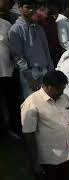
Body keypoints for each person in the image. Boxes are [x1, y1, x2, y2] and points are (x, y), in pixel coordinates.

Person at [21, 70, 69, 180]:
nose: (62, 92)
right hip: (49, 162)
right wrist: (34, 163)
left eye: (63, 88)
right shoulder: (31, 103)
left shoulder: (65, 98)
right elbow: (28, 135)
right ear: (47, 87)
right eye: (59, 89)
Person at [9, 0, 53, 99]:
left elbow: (46, 50)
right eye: (28, 7)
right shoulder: (15, 29)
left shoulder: (39, 28)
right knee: (32, 105)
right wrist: (29, 77)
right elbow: (18, 56)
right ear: (20, 7)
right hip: (30, 72)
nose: (32, 10)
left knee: (47, 104)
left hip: (45, 70)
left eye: (33, 7)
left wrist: (51, 70)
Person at [0, 1, 21, 139]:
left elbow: (13, 49)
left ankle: (15, 129)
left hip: (7, 71)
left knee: (11, 102)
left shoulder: (6, 24)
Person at [32, 1, 63, 67]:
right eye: (56, 7)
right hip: (43, 55)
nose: (57, 10)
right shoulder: (36, 18)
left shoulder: (52, 19)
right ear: (49, 5)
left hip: (54, 55)